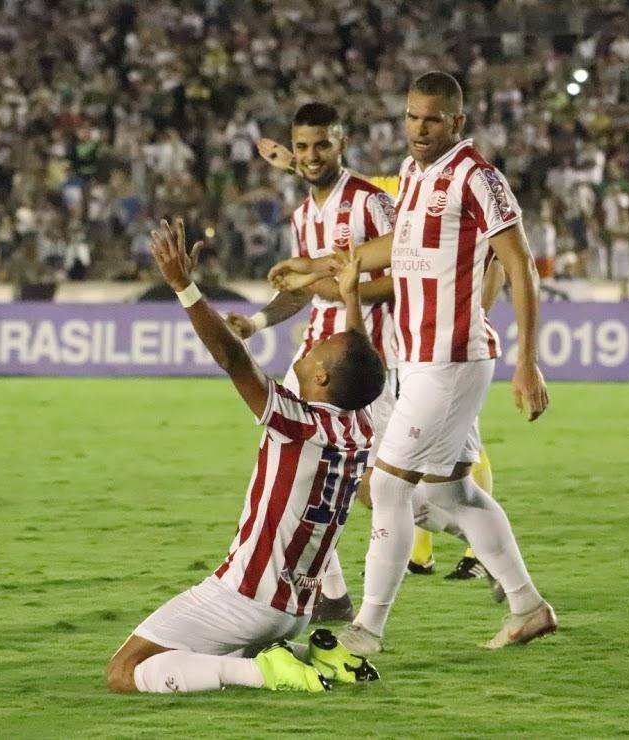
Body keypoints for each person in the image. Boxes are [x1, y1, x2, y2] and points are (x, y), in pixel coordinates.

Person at [269, 71, 556, 653]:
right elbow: (393, 248)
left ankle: (366, 629)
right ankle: (528, 607)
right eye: (412, 117)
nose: (419, 129)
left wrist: (528, 360)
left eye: (432, 119)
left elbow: (520, 263)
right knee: (453, 495)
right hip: (418, 359)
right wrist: (314, 266)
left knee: (388, 486)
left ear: (457, 122)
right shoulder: (413, 173)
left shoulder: (477, 177)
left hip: (451, 357)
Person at [106, 218, 385, 695]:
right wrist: (351, 297)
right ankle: (318, 656)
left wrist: (184, 286)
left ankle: (263, 673)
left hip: (246, 596)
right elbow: (358, 360)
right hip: (296, 608)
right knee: (211, 651)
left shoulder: (298, 424)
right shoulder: (359, 426)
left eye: (317, 349)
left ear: (321, 379)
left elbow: (233, 358)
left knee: (125, 670)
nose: (308, 347)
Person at [225, 102, 398, 623]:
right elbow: (301, 291)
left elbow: (406, 271)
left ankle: (470, 531)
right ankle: (332, 595)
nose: (312, 155)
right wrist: (256, 323)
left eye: (322, 144)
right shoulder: (304, 215)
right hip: (312, 363)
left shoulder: (370, 202)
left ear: (341, 143)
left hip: (364, 358)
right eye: (302, 146)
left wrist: (341, 289)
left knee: (376, 488)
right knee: (296, 474)